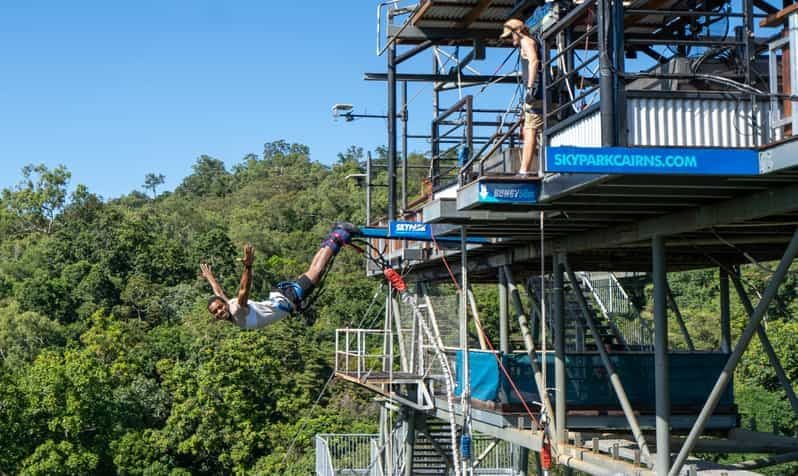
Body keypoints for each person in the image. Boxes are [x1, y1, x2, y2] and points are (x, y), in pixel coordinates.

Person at [200, 222, 360, 329]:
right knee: (313, 273)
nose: (219, 311)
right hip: (280, 297)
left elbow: (243, 290)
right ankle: (333, 238)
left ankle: (339, 235)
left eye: (219, 307)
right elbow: (218, 293)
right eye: (216, 312)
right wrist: (210, 277)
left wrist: (248, 267)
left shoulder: (236, 311)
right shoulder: (228, 306)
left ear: (224, 304)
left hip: (286, 300)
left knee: (316, 272)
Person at [501, 18, 543, 177]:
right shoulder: (529, 41)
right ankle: (539, 167)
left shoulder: (526, 42)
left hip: (536, 93)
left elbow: (534, 61)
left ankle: (524, 170)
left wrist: (531, 89)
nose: (510, 39)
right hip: (538, 92)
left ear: (517, 32)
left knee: (530, 129)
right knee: (531, 128)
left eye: (510, 35)